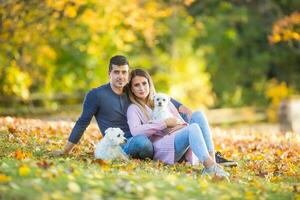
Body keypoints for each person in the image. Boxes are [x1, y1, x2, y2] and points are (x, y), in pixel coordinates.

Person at [126, 69, 230, 177]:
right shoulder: (133, 109)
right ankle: (211, 167)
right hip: (162, 145)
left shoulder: (162, 99)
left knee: (198, 114)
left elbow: (177, 120)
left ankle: (212, 163)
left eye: (144, 83)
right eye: (136, 85)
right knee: (192, 127)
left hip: (176, 136)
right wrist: (164, 123)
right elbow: (136, 131)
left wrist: (178, 125)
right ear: (132, 89)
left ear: (149, 84)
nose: (142, 88)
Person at [53, 55, 154, 159]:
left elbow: (155, 99)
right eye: (116, 72)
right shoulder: (96, 95)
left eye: (124, 72)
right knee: (143, 143)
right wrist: (65, 151)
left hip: (142, 135)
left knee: (149, 141)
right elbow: (82, 123)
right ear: (109, 73)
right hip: (119, 145)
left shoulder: (132, 91)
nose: (120, 76)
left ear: (128, 74)